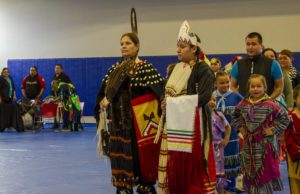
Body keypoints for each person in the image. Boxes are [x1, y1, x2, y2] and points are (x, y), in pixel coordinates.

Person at [94, 32, 164, 194]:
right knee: (120, 155)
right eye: (122, 44)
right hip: (119, 124)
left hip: (142, 124)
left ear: (137, 46)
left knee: (141, 156)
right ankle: (123, 185)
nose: (124, 46)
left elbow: (160, 92)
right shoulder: (114, 69)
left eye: (128, 43)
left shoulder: (146, 67)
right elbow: (103, 95)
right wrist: (103, 103)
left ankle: (145, 183)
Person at [157, 21, 216, 194]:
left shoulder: (203, 70)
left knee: (192, 169)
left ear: (194, 49)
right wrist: (164, 101)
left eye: (182, 46)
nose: (178, 50)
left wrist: (174, 103)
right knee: (170, 165)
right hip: (173, 125)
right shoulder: (176, 68)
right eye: (178, 46)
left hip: (194, 127)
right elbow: (166, 90)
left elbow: (205, 96)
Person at [231, 74, 290, 193]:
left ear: (265, 88)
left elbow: (285, 118)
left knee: (265, 173)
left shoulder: (270, 105)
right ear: (248, 88)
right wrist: (240, 129)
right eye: (252, 86)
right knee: (250, 172)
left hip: (265, 147)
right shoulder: (243, 104)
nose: (256, 89)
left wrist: (273, 130)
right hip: (249, 148)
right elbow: (235, 116)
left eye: (259, 86)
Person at [214, 71, 243, 193]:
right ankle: (220, 189)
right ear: (215, 83)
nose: (225, 85)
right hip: (216, 139)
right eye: (221, 83)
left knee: (231, 165)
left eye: (227, 82)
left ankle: (231, 189)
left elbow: (246, 110)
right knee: (218, 165)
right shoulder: (211, 97)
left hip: (232, 138)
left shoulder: (236, 97)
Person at [230, 32, 283, 99]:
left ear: (261, 46)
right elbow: (232, 86)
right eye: (248, 44)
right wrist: (242, 100)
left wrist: (269, 100)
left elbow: (279, 87)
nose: (250, 47)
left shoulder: (273, 64)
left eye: (254, 44)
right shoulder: (238, 64)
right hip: (244, 107)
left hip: (266, 107)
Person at [208, 93, 231, 194]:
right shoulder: (200, 114)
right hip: (205, 149)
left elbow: (228, 127)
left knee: (219, 174)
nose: (212, 102)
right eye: (210, 100)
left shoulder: (219, 115)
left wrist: (226, 139)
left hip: (217, 149)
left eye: (214, 100)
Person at [284, 85, 300, 194]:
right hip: (295, 156)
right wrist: (296, 151)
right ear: (295, 99)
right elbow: (288, 138)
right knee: (295, 184)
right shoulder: (289, 117)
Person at [51, 64, 72, 129]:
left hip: (64, 97)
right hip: (56, 97)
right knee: (55, 110)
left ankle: (65, 125)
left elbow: (70, 85)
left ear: (61, 69)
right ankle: (56, 124)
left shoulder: (65, 77)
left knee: (64, 111)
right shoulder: (54, 77)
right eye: (56, 68)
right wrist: (52, 96)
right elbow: (52, 88)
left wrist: (64, 94)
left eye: (58, 68)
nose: (57, 69)